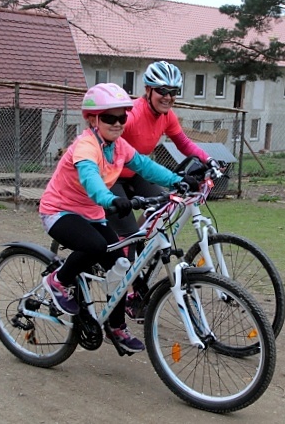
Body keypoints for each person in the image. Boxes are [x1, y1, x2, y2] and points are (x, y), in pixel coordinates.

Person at [39, 83, 198, 353]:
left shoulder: (119, 146)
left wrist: (178, 181)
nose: (117, 123)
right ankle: (58, 281)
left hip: (91, 214)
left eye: (122, 117)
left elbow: (146, 167)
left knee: (122, 266)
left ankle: (116, 327)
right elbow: (91, 180)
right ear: (92, 119)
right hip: (60, 212)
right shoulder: (86, 146)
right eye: (109, 118)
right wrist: (110, 200)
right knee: (95, 246)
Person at [106, 61, 221, 319]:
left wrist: (208, 159)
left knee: (166, 204)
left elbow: (183, 142)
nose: (168, 97)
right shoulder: (132, 115)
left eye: (173, 92)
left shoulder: (167, 116)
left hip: (137, 173)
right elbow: (109, 145)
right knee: (130, 233)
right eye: (162, 91)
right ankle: (130, 290)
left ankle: (140, 243)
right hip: (113, 175)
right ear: (148, 90)